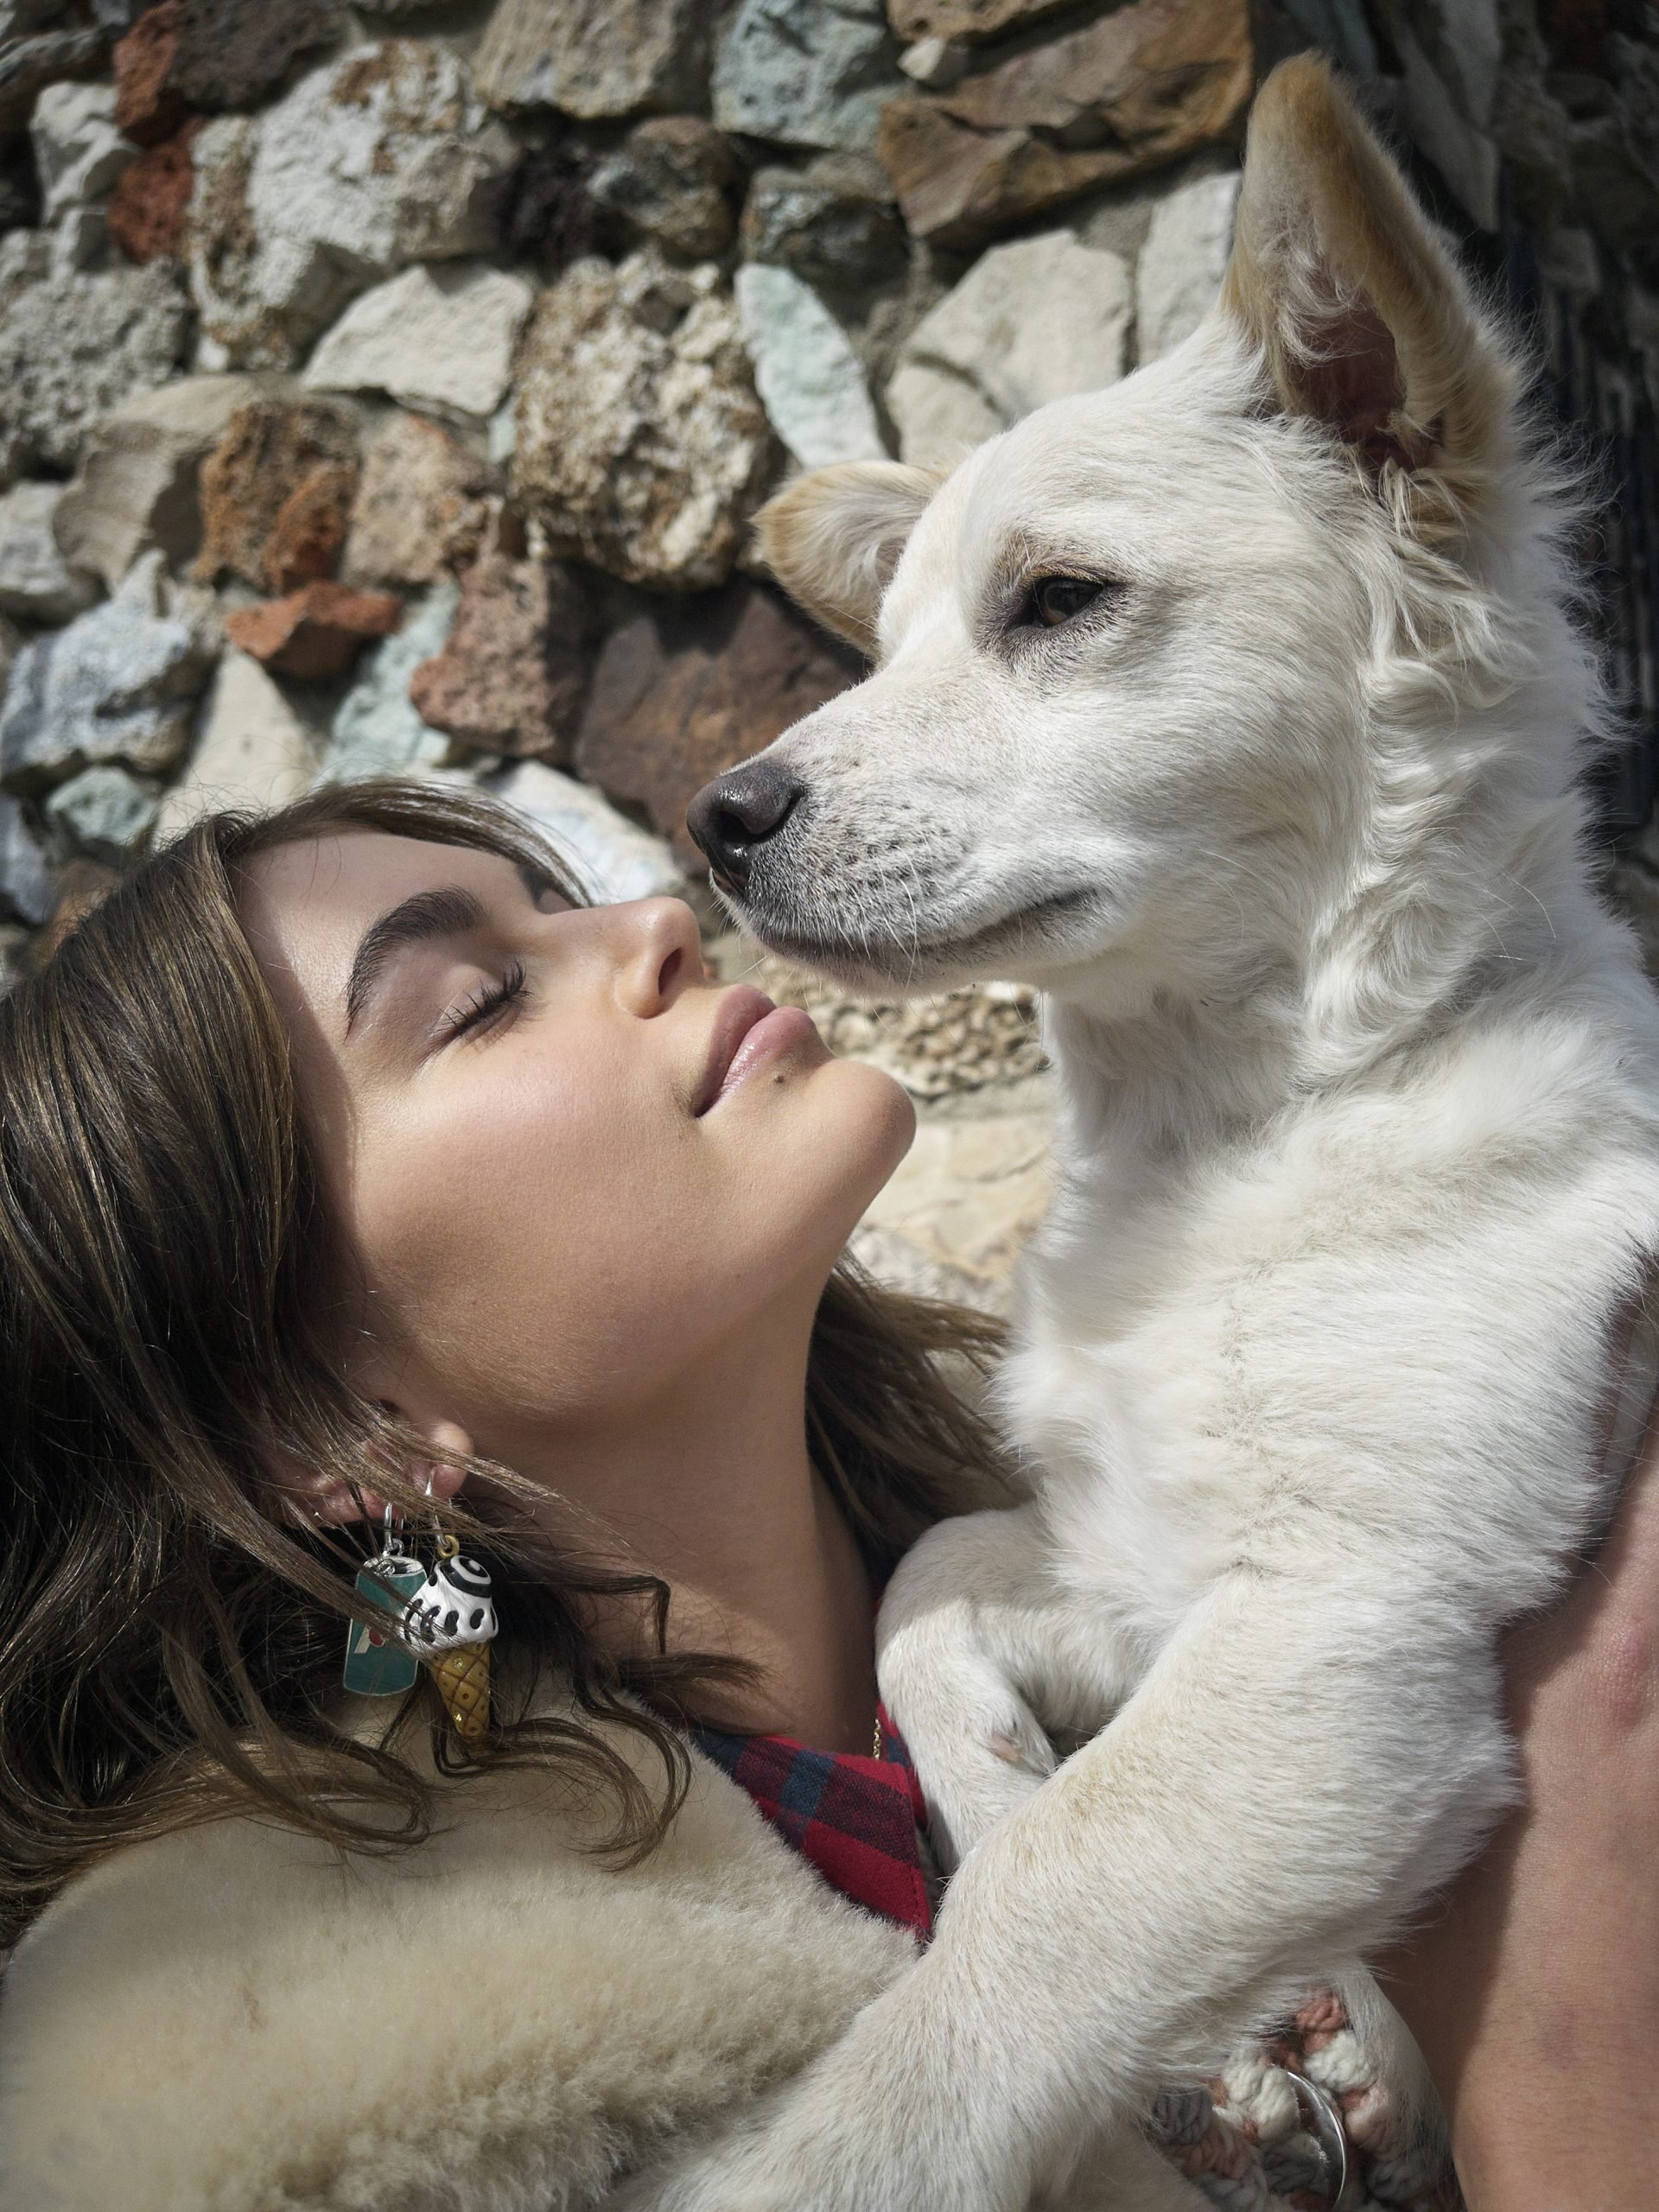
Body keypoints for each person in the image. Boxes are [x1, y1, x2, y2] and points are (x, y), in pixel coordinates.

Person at [0, 777, 1650, 2212]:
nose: (656, 919)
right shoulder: (311, 2102)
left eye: (567, 904)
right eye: (482, 998)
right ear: (325, 1431)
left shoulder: (1197, 1513)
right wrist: (1566, 2098)